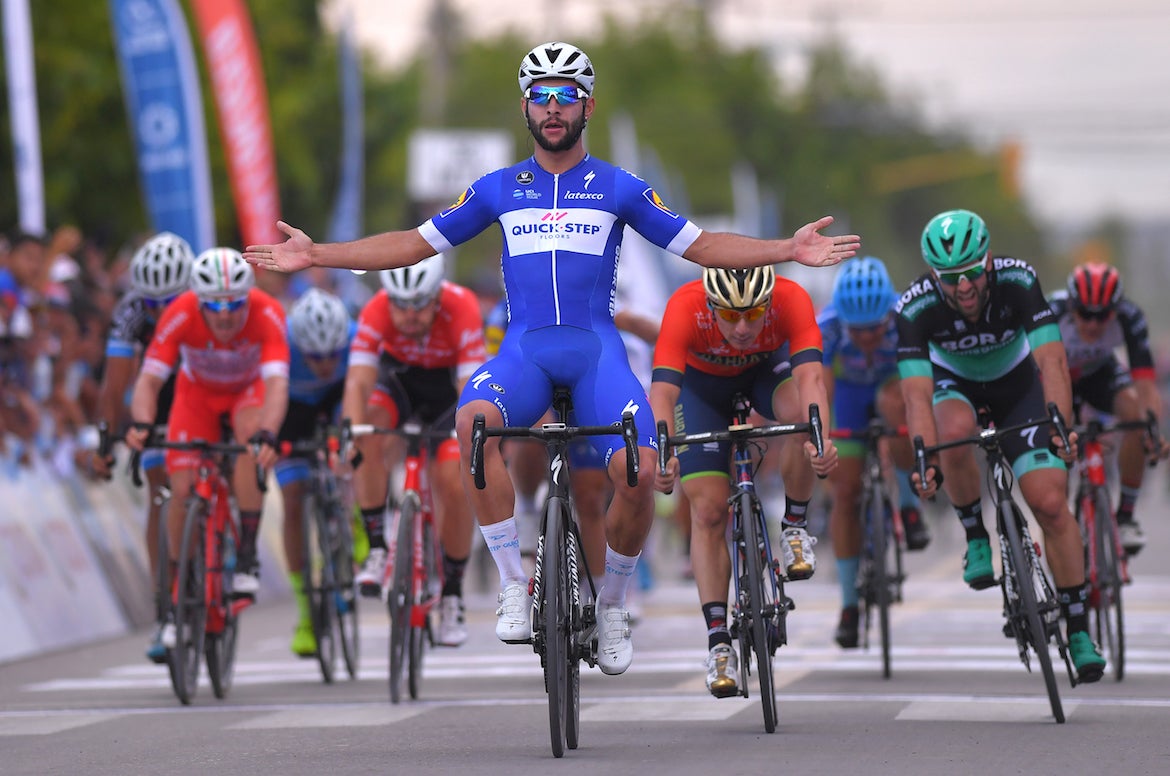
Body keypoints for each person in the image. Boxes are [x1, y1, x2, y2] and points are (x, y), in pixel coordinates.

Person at [243, 40, 859, 676]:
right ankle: (514, 581)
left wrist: (786, 248)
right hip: (526, 353)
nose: (554, 107)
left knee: (641, 471)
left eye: (566, 95)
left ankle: (615, 603)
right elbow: (409, 245)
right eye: (541, 95)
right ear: (525, 107)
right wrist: (317, 256)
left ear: (587, 105)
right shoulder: (498, 189)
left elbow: (702, 247)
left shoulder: (618, 187)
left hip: (595, 355)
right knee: (472, 423)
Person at [896, 208, 1105, 683]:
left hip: (1019, 386)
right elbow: (914, 394)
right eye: (950, 279)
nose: (964, 287)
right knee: (952, 429)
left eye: (972, 273)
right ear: (934, 276)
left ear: (988, 261)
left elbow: (1052, 362)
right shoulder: (914, 307)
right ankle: (975, 535)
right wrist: (924, 458)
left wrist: (1060, 427)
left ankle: (1078, 628)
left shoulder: (1019, 279)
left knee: (1051, 504)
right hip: (954, 385)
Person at [650, 265, 838, 696]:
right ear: (709, 304)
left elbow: (811, 380)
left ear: (769, 302)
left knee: (801, 424)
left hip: (765, 375)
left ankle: (794, 526)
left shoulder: (791, 299)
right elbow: (662, 393)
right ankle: (718, 641)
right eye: (729, 315)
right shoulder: (684, 305)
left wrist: (820, 440)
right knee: (710, 509)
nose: (741, 327)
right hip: (701, 391)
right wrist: (661, 456)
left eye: (753, 314)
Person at [125, 247, 289, 647]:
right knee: (179, 492)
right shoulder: (180, 312)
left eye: (234, 303)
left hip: (248, 393)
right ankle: (177, 599)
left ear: (247, 297)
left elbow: (276, 385)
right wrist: (143, 423)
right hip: (196, 397)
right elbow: (148, 381)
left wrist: (268, 432)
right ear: (198, 300)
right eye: (213, 306)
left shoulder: (267, 312)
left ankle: (247, 553)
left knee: (251, 441)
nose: (225, 314)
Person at [344, 254, 484, 648]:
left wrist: (471, 439)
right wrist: (352, 430)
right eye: (399, 305)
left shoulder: (462, 307)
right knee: (365, 428)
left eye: (418, 305)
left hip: (448, 393)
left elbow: (469, 388)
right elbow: (357, 381)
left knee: (453, 484)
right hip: (399, 383)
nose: (408, 315)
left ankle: (453, 592)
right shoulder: (375, 311)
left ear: (436, 297)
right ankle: (375, 546)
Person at [80, 231, 194, 662]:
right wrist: (107, 441)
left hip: (200, 387)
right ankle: (165, 602)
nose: (162, 312)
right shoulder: (131, 310)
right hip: (158, 394)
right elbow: (115, 385)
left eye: (171, 302)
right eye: (154, 304)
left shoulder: (205, 299)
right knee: (160, 489)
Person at [817, 256, 927, 649]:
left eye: (875, 329)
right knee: (844, 493)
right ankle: (848, 605)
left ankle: (909, 505)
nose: (866, 338)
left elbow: (921, 388)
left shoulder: (906, 317)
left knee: (898, 406)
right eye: (857, 331)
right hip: (847, 397)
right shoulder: (827, 329)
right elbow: (822, 392)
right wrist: (824, 439)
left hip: (890, 385)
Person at [1049, 262, 1170, 555]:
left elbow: (1145, 384)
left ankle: (1126, 516)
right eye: (1085, 314)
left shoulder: (1131, 317)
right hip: (1056, 377)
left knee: (1135, 417)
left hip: (1098, 375)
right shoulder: (1051, 313)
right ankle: (1057, 530)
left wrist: (1151, 428)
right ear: (1072, 306)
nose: (1093, 324)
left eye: (1102, 316)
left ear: (1115, 311)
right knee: (1053, 449)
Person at [276, 288, 355, 657]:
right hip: (291, 411)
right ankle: (306, 612)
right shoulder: (281, 343)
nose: (324, 364)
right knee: (293, 502)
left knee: (350, 462)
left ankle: (351, 522)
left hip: (338, 402)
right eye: (314, 357)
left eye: (331, 356)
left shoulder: (354, 339)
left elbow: (365, 394)